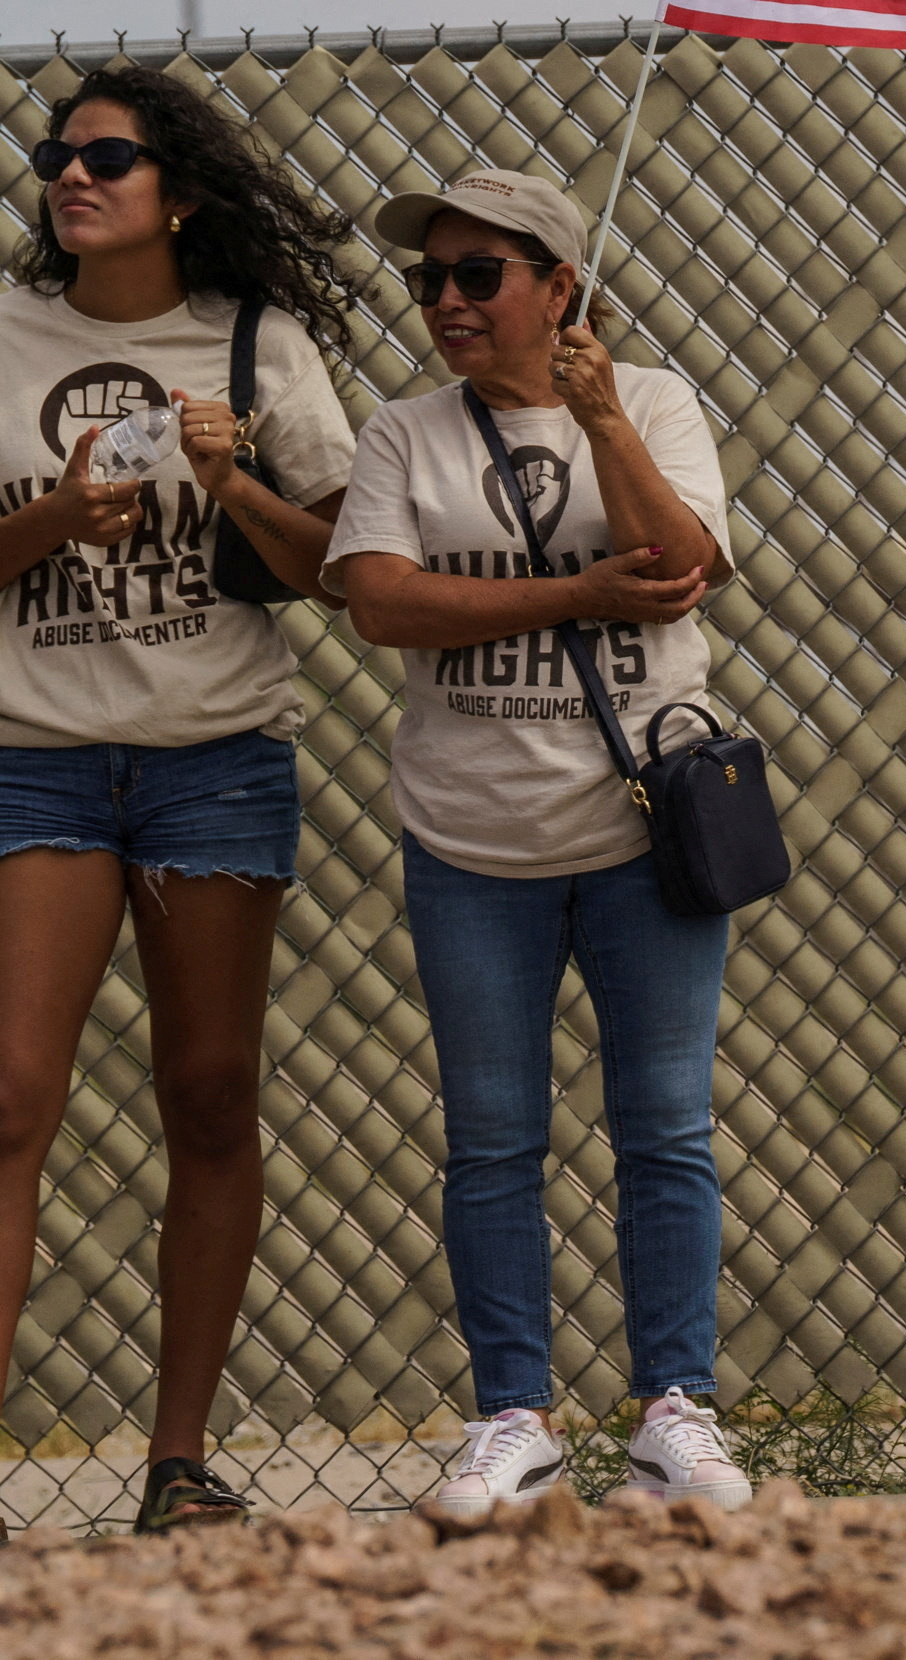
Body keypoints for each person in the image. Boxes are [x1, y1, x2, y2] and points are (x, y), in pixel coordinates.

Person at [0, 65, 363, 1546]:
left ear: (182, 192)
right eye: (58, 156)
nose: (72, 176)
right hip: (40, 757)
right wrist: (48, 520)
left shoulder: (260, 347)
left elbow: (328, 566)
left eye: (109, 157)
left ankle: (181, 1459)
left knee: (210, 1100)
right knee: (2, 1104)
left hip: (217, 753)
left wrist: (233, 485)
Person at [322, 167, 751, 1518]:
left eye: (477, 277)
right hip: (473, 839)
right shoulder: (404, 434)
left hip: (645, 828)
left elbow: (679, 563)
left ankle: (676, 1410)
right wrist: (572, 591)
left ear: (560, 287)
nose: (445, 302)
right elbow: (381, 605)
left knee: (665, 1128)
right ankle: (515, 1414)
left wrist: (604, 417)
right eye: (429, 279)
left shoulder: (661, 404)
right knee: (494, 1141)